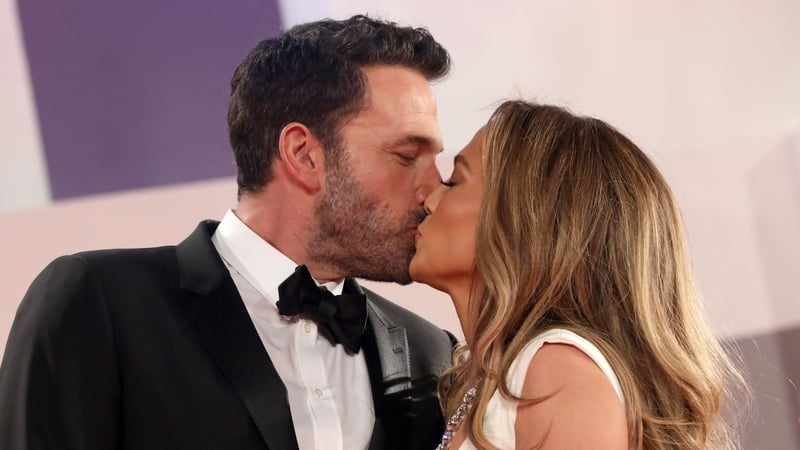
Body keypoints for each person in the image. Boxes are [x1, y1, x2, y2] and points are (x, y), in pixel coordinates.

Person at [0, 15, 455, 450]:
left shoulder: (431, 353)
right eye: (405, 156)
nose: (434, 190)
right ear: (303, 154)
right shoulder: (99, 304)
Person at [410, 100, 747, 449]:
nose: (430, 200)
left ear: (524, 219)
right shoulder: (484, 380)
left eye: (453, 182)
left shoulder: (555, 368)